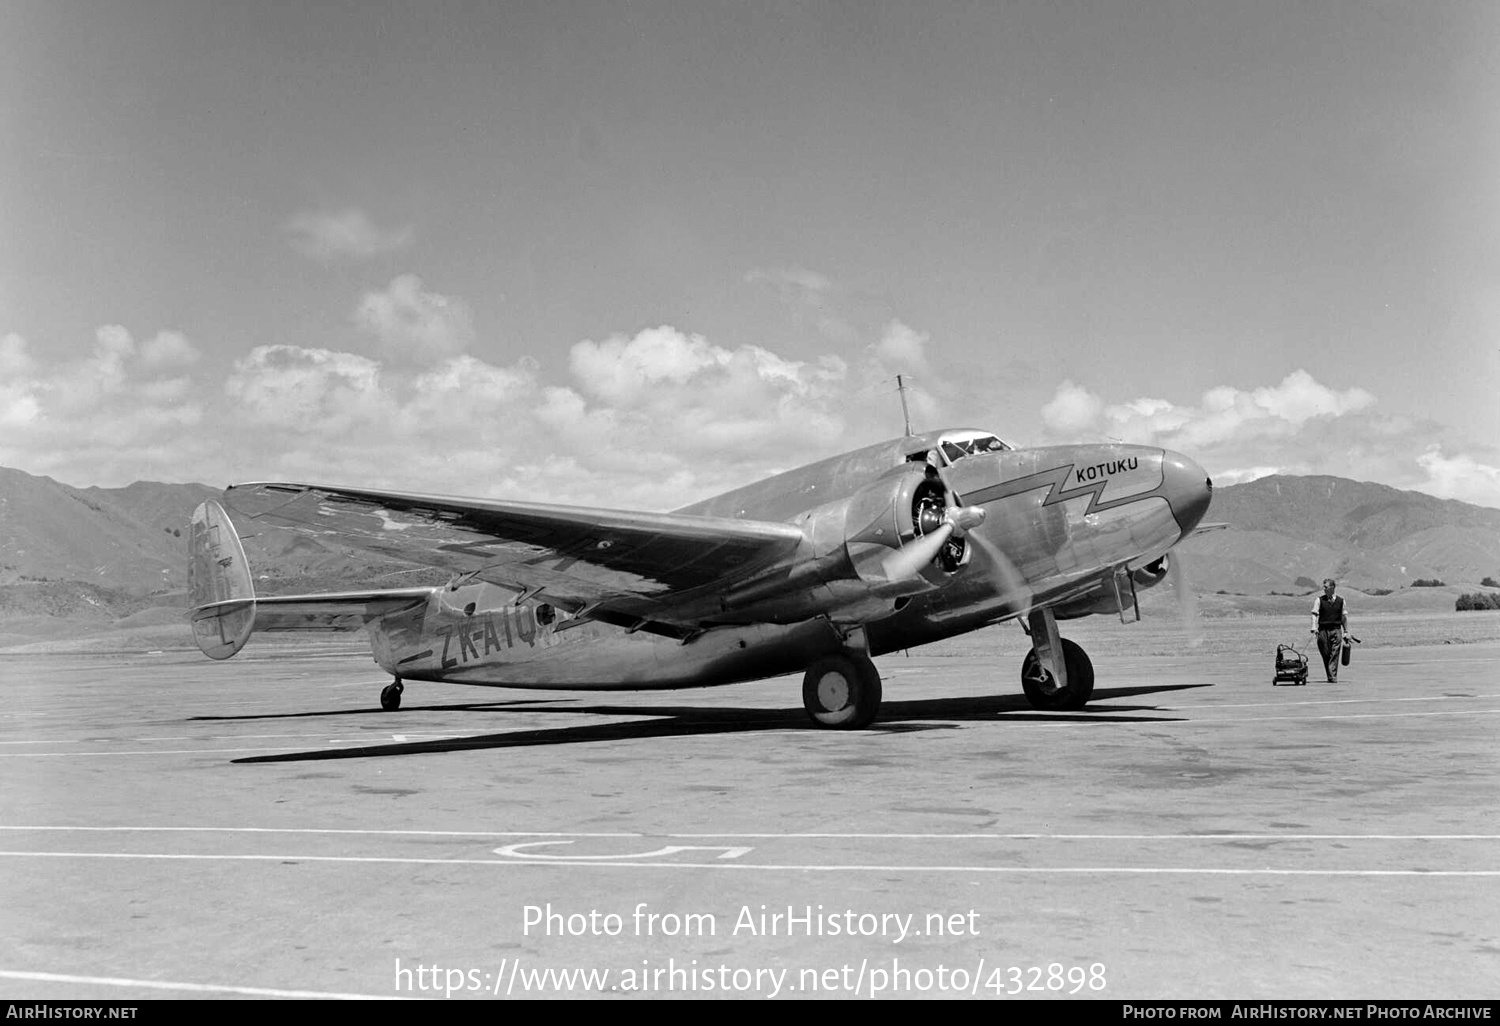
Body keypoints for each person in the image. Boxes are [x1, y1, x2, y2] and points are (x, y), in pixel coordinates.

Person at [1310, 578, 1349, 682]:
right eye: (1324, 587)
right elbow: (1314, 614)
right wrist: (1314, 627)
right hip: (1322, 631)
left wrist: (1346, 631)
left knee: (1335, 653)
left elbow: (1343, 617)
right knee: (1326, 654)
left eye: (1326, 587)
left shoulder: (1341, 601)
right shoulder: (1319, 600)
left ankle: (1332, 677)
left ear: (1332, 588)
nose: (1324, 589)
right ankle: (1330, 674)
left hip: (1336, 630)